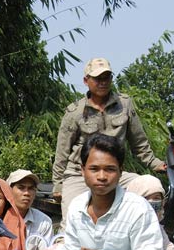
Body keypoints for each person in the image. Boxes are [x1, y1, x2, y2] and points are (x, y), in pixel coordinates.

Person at [20, 133, 163, 250]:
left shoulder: (138, 208)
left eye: (110, 169)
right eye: (94, 169)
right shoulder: (77, 206)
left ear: (121, 171)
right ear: (83, 171)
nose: (102, 177)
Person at [52, 57, 166, 223]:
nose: (102, 82)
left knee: (151, 186)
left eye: (106, 77)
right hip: (79, 174)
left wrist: (157, 164)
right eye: (97, 78)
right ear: (86, 81)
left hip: (114, 173)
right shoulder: (74, 112)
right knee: (71, 222)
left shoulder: (125, 105)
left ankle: (154, 237)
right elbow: (62, 153)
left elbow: (139, 144)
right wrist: (58, 185)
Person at [5, 169, 55, 250]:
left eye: (31, 188)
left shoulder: (43, 222)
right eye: (21, 188)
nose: (27, 193)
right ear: (9, 190)